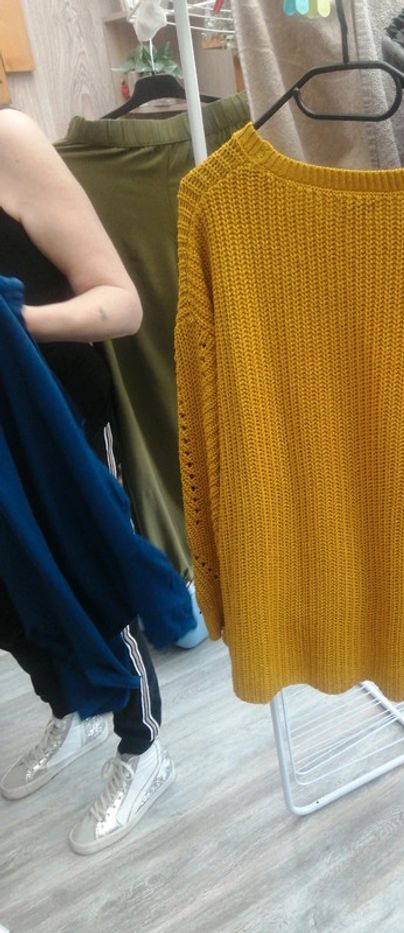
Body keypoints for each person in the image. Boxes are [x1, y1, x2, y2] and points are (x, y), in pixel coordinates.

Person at [0, 107, 175, 855]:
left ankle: (144, 747)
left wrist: (10, 321)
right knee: (9, 596)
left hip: (57, 418)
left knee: (94, 576)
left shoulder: (8, 142)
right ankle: (70, 707)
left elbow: (122, 305)